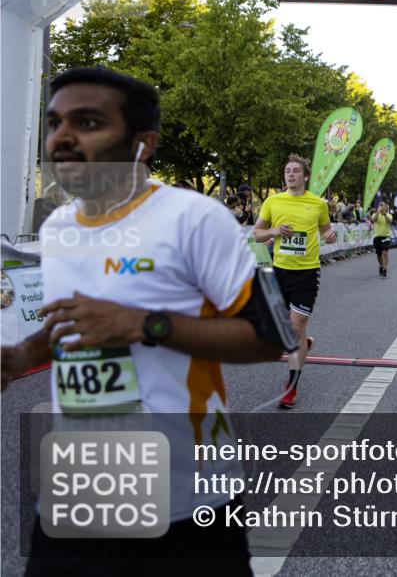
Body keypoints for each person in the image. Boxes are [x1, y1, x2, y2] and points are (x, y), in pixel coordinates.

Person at [1, 67, 285, 574]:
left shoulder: (195, 219)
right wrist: (23, 354)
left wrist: (147, 324)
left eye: (88, 122)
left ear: (143, 143)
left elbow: (268, 339)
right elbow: (79, 323)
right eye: (55, 122)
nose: (62, 137)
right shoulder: (60, 227)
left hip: (188, 502)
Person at [253, 154, 338, 409]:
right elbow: (256, 234)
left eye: (295, 171)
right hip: (280, 272)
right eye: (287, 171)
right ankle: (302, 343)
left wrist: (330, 235)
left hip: (306, 273)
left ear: (305, 176)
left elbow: (326, 230)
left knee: (295, 327)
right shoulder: (273, 201)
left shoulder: (318, 204)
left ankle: (291, 388)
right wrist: (273, 231)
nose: (290, 174)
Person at [371, 202, 393, 278]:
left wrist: (385, 214)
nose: (383, 207)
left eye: (384, 206)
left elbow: (389, 221)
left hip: (386, 236)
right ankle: (381, 265)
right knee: (379, 255)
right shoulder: (375, 214)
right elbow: (373, 220)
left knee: (385, 252)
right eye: (381, 206)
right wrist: (378, 212)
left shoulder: (389, 215)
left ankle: (384, 269)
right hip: (377, 237)